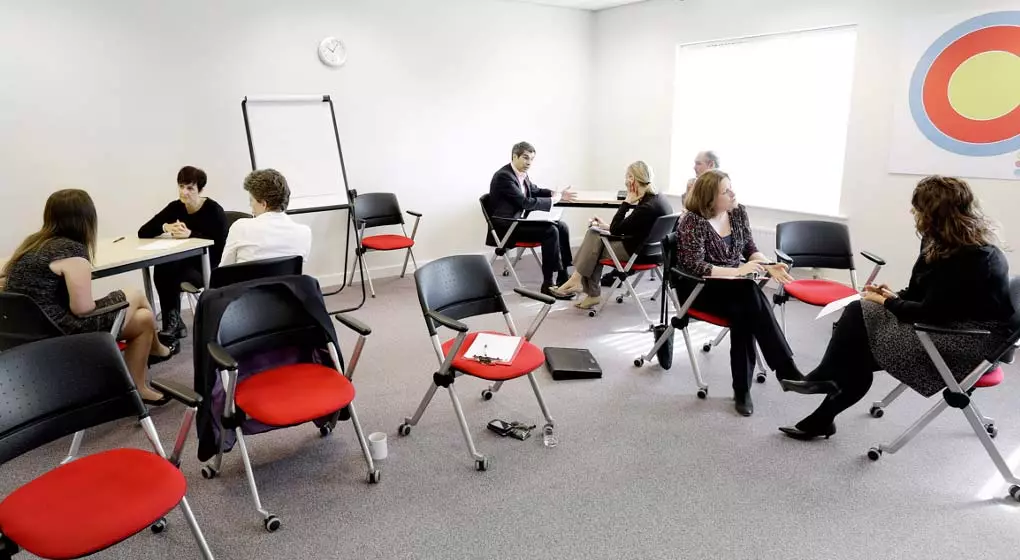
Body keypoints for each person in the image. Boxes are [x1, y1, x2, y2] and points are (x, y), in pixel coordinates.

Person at [778, 176, 1017, 440]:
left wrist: (888, 302)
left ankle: (823, 389)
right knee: (858, 334)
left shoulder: (975, 257)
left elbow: (932, 312)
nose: (913, 213)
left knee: (857, 337)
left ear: (935, 213)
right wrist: (892, 295)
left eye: (918, 208)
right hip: (944, 321)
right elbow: (919, 291)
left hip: (968, 341)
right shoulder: (936, 240)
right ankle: (822, 409)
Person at [2, 189, 177, 404]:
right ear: (85, 219)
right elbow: (82, 309)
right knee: (137, 294)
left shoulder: (32, 244)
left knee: (143, 319)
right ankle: (157, 351)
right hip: (61, 334)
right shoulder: (71, 251)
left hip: (28, 334)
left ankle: (138, 387)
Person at [676, 169, 801, 416]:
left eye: (731, 187)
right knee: (748, 293)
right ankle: (784, 370)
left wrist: (766, 265)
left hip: (734, 287)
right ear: (709, 199)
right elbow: (696, 266)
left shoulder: (737, 212)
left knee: (745, 310)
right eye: (726, 191)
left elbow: (750, 248)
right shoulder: (692, 221)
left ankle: (743, 389)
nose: (733, 193)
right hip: (700, 288)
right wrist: (738, 271)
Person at [550, 161, 672, 309]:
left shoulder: (646, 207)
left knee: (594, 243)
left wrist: (626, 203)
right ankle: (582, 285)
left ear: (632, 179)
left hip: (636, 254)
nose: (626, 181)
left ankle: (582, 284)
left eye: (627, 177)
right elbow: (631, 228)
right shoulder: (659, 199)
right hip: (654, 252)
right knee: (595, 234)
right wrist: (605, 227)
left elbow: (616, 230)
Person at [138, 166, 227, 342]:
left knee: (169, 272)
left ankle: (172, 324)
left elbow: (221, 246)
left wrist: (191, 234)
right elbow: (143, 231)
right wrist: (166, 227)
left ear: (200, 190)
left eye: (190, 188)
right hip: (181, 264)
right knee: (163, 266)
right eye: (181, 186)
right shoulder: (175, 208)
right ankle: (173, 323)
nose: (184, 192)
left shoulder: (213, 210)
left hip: (206, 266)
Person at [488, 141, 578, 299]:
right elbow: (525, 202)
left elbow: (534, 190)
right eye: (525, 158)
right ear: (514, 156)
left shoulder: (521, 174)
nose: (529, 162)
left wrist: (555, 194)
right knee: (550, 231)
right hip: (507, 227)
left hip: (518, 223)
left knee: (561, 226)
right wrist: (555, 200)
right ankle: (548, 285)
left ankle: (563, 275)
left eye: (531, 159)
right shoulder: (504, 176)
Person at [219, 169, 312, 266]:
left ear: (263, 204)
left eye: (251, 200)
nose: (250, 205)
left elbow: (223, 270)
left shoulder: (240, 227)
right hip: (284, 281)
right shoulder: (304, 232)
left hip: (248, 281)